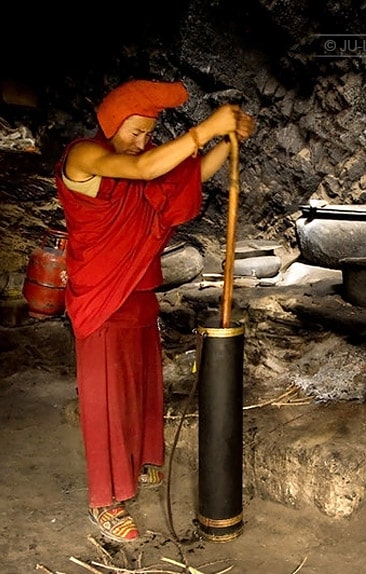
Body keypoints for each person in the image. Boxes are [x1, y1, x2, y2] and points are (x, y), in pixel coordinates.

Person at [54, 79, 255, 543]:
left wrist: (228, 141)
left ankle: (142, 462)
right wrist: (207, 128)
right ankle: (105, 501)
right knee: (107, 400)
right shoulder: (85, 156)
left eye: (148, 133)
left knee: (143, 388)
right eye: (134, 130)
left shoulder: (143, 156)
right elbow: (146, 170)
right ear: (111, 123)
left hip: (138, 292)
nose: (141, 141)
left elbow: (186, 175)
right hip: (101, 296)